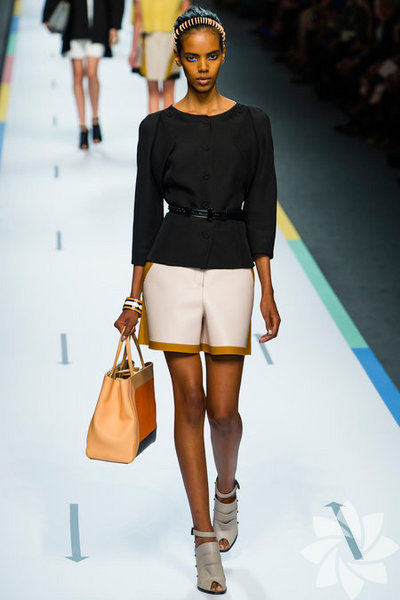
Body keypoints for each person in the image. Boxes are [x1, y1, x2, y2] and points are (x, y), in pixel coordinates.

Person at [115, 6, 280, 595]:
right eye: (192, 58)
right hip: (172, 268)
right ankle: (204, 537)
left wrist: (267, 287)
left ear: (224, 55)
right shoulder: (156, 128)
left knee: (223, 411)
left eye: (211, 56)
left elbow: (262, 205)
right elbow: (144, 211)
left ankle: (226, 490)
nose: (203, 66)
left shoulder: (254, 123)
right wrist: (134, 296)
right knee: (189, 400)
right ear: (179, 60)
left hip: (234, 265)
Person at [42, 0, 124, 149]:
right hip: (74, 27)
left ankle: (95, 118)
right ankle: (82, 127)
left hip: (98, 26)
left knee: (92, 73)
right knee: (78, 75)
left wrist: (114, 26)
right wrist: (48, 15)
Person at [129, 0, 191, 113]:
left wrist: (134, 50)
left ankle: (154, 124)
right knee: (169, 91)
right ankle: (168, 124)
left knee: (153, 92)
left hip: (149, 38)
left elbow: (138, 18)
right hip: (172, 38)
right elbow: (186, 12)